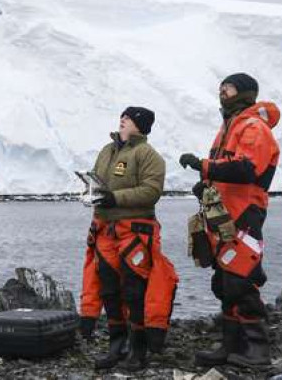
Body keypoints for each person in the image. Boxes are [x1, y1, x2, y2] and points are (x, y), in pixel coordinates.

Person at [179, 73, 281, 369]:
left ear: (245, 92)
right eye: (221, 87)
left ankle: (258, 350)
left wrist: (204, 165)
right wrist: (206, 184)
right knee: (224, 282)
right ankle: (231, 345)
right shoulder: (229, 126)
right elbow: (227, 172)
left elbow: (246, 169)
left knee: (241, 278)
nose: (222, 91)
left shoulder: (253, 127)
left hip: (245, 213)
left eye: (229, 87)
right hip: (223, 214)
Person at [80, 106, 178, 371]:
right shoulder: (107, 150)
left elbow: (151, 191)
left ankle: (138, 350)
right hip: (105, 230)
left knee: (135, 292)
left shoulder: (148, 156)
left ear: (141, 125)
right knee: (110, 289)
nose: (122, 121)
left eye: (129, 119)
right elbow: (98, 179)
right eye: (122, 117)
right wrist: (90, 190)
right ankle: (117, 346)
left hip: (134, 231)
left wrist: (115, 198)